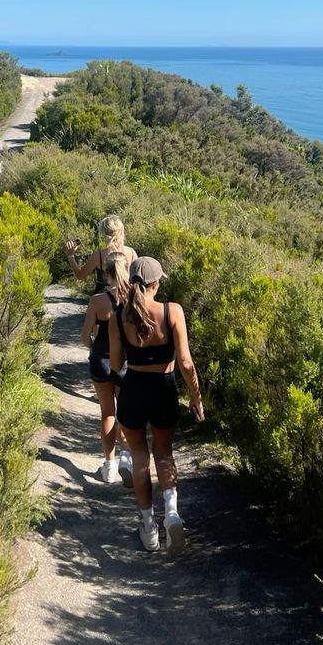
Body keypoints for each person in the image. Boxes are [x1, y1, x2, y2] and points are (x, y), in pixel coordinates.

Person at [109, 256, 204, 554]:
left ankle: (148, 527)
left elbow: (115, 363)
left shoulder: (118, 316)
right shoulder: (172, 311)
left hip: (133, 389)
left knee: (139, 455)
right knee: (164, 453)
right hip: (163, 389)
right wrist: (196, 398)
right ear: (156, 283)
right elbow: (186, 363)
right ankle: (172, 515)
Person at [79, 252, 133, 485]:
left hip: (101, 360)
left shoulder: (97, 301)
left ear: (106, 274)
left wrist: (94, 346)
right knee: (126, 412)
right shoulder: (134, 298)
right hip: (125, 363)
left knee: (107, 412)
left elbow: (84, 337)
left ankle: (109, 466)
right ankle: (126, 459)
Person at [65, 214, 137, 293]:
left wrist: (70, 255)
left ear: (103, 234)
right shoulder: (131, 253)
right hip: (126, 298)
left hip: (102, 299)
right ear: (121, 231)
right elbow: (137, 278)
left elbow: (80, 275)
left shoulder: (98, 256)